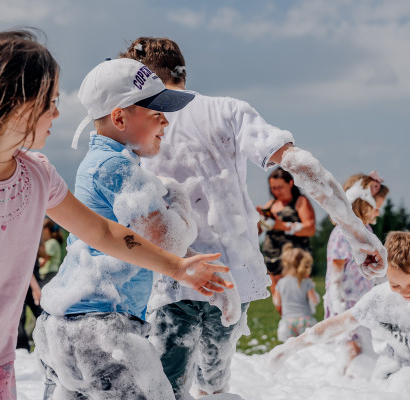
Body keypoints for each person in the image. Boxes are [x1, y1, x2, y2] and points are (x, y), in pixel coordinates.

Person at [0, 30, 232, 400]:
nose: (57, 112)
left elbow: (103, 232)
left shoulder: (37, 175)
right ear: (16, 104)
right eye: (50, 101)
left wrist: (177, 268)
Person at [120, 37, 387, 398]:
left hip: (170, 274)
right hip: (233, 274)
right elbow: (302, 164)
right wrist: (357, 232)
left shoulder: (137, 119)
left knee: (165, 390)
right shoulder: (227, 110)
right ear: (182, 71)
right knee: (214, 389)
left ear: (142, 74)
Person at [270, 231, 410, 379]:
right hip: (399, 381)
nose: (405, 291)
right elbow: (339, 324)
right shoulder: (380, 299)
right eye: (395, 284)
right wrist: (291, 347)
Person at [324, 173, 389, 363]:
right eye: (376, 207)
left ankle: (357, 382)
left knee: (362, 349)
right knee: (350, 348)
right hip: (345, 304)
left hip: (361, 302)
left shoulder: (365, 231)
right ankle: (345, 381)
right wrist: (339, 308)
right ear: (363, 203)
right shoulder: (343, 234)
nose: (378, 212)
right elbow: (335, 278)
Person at [258, 167, 316, 297]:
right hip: (273, 258)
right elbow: (258, 232)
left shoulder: (300, 201)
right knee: (278, 300)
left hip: (295, 259)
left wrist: (283, 225)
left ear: (290, 184)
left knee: (297, 299)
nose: (276, 191)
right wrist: (256, 219)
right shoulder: (270, 204)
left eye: (280, 187)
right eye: (273, 188)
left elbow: (310, 228)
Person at [273, 243, 320, 342]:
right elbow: (314, 300)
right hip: (305, 321)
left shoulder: (281, 282)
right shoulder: (306, 282)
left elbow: (277, 301)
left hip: (288, 323)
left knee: (291, 349)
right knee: (307, 348)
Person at [16, 257, 43, 351]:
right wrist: (35, 286)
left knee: (43, 315)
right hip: (23, 281)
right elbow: (21, 261)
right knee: (43, 315)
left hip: (24, 281)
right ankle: (22, 350)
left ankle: (23, 350)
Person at [39, 218, 64, 285]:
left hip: (50, 273)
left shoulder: (52, 242)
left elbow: (45, 259)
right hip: (46, 273)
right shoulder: (49, 243)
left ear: (46, 230)